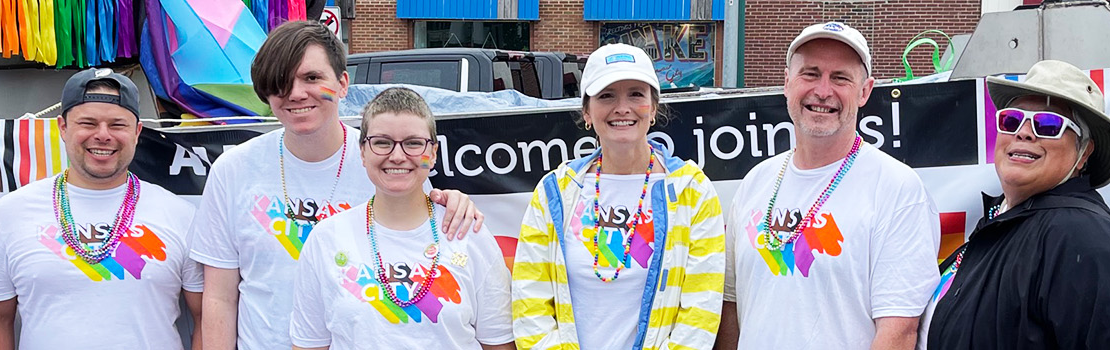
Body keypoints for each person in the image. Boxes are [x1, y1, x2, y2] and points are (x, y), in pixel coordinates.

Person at [192, 20, 485, 350]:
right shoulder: (233, 170)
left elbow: (429, 234)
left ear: (343, 83)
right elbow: (218, 297)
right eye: (280, 82)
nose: (296, 93)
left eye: (312, 78)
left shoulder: (385, 160)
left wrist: (456, 204)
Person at [716, 22, 941, 350]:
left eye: (840, 78)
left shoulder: (897, 189)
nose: (823, 91)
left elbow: (899, 333)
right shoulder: (756, 182)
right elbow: (731, 309)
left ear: (865, 91)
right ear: (787, 83)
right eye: (810, 73)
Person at [919, 60, 1110, 349]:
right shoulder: (1004, 218)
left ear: (1084, 152)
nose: (1023, 132)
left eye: (1048, 125)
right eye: (1011, 120)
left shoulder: (1088, 241)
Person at [0, 68, 205, 350]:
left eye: (117, 125)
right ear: (63, 127)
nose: (103, 135)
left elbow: (208, 315)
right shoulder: (10, 214)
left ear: (137, 131)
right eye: (88, 123)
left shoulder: (180, 214)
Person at [510, 44, 725, 349]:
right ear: (587, 111)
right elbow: (529, 302)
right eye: (606, 95)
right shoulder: (555, 192)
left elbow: (700, 311)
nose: (622, 107)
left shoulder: (694, 192)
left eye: (636, 94)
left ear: (653, 108)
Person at [287, 87, 514, 350]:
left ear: (434, 153)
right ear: (363, 152)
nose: (397, 156)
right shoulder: (326, 239)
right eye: (382, 142)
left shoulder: (469, 234)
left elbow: (499, 344)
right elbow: (309, 345)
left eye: (413, 143)